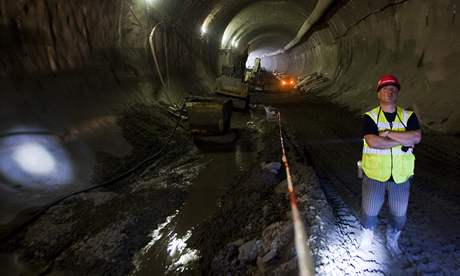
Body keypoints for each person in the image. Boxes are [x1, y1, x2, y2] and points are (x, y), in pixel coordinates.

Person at [359, 75, 422, 256]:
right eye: (385, 88)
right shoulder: (370, 117)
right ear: (379, 93)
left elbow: (416, 138)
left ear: (397, 92)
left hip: (401, 177)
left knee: (399, 215)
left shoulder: (408, 116)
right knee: (369, 212)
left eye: (393, 88)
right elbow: (373, 142)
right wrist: (402, 140)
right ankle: (367, 236)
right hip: (375, 175)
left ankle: (392, 238)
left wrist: (387, 133)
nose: (390, 90)